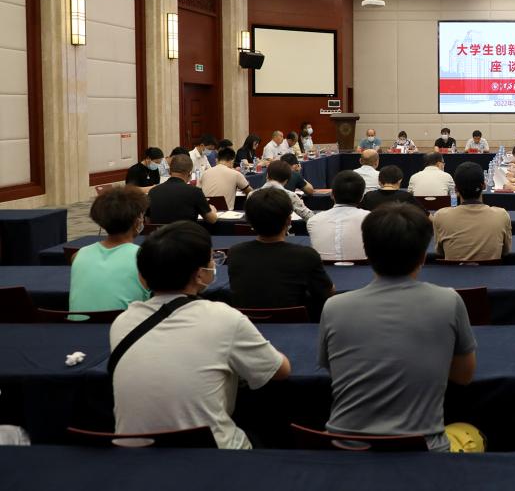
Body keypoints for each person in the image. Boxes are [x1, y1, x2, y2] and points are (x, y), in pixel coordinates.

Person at [110, 222, 291, 449]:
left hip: (131, 454)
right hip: (210, 454)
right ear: (200, 274)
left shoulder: (122, 322)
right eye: (210, 260)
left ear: (142, 277)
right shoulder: (224, 318)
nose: (213, 264)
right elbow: (280, 371)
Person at [319, 203, 476, 451]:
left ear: (367, 253)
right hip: (424, 451)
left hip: (344, 448)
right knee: (471, 433)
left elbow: (335, 370)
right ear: (423, 256)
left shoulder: (333, 307)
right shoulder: (449, 301)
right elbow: (464, 376)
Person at [227, 187, 335, 320]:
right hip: (295, 327)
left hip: (247, 326)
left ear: (249, 221)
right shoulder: (306, 256)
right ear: (289, 220)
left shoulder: (235, 253)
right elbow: (327, 293)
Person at [68, 186, 149, 312]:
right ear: (137, 221)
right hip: (125, 324)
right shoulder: (145, 258)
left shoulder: (78, 255)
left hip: (78, 324)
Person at [432, 163, 511, 262]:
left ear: (456, 189)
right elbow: (506, 251)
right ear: (484, 186)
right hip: (491, 271)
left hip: (455, 271)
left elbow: (440, 252)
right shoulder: (501, 215)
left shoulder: (440, 216)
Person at [308, 171, 370, 261]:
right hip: (364, 269)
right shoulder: (371, 219)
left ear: (332, 195)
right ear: (362, 197)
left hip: (323, 269)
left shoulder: (313, 221)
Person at [147, 154, 218, 225]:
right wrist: (212, 210)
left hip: (159, 232)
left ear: (169, 171)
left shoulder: (153, 192)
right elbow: (212, 220)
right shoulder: (195, 192)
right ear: (189, 174)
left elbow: (148, 221)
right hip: (185, 232)